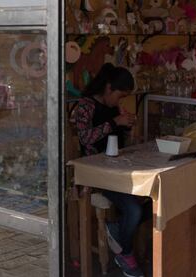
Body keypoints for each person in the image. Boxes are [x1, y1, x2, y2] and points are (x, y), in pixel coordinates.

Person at [76, 63, 150, 277]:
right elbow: (84, 137)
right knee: (134, 210)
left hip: (118, 168)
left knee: (155, 200)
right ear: (108, 88)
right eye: (120, 95)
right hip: (96, 173)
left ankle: (118, 228)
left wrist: (126, 125)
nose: (120, 101)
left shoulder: (114, 107)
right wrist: (115, 121)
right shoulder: (86, 105)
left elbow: (119, 141)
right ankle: (125, 254)